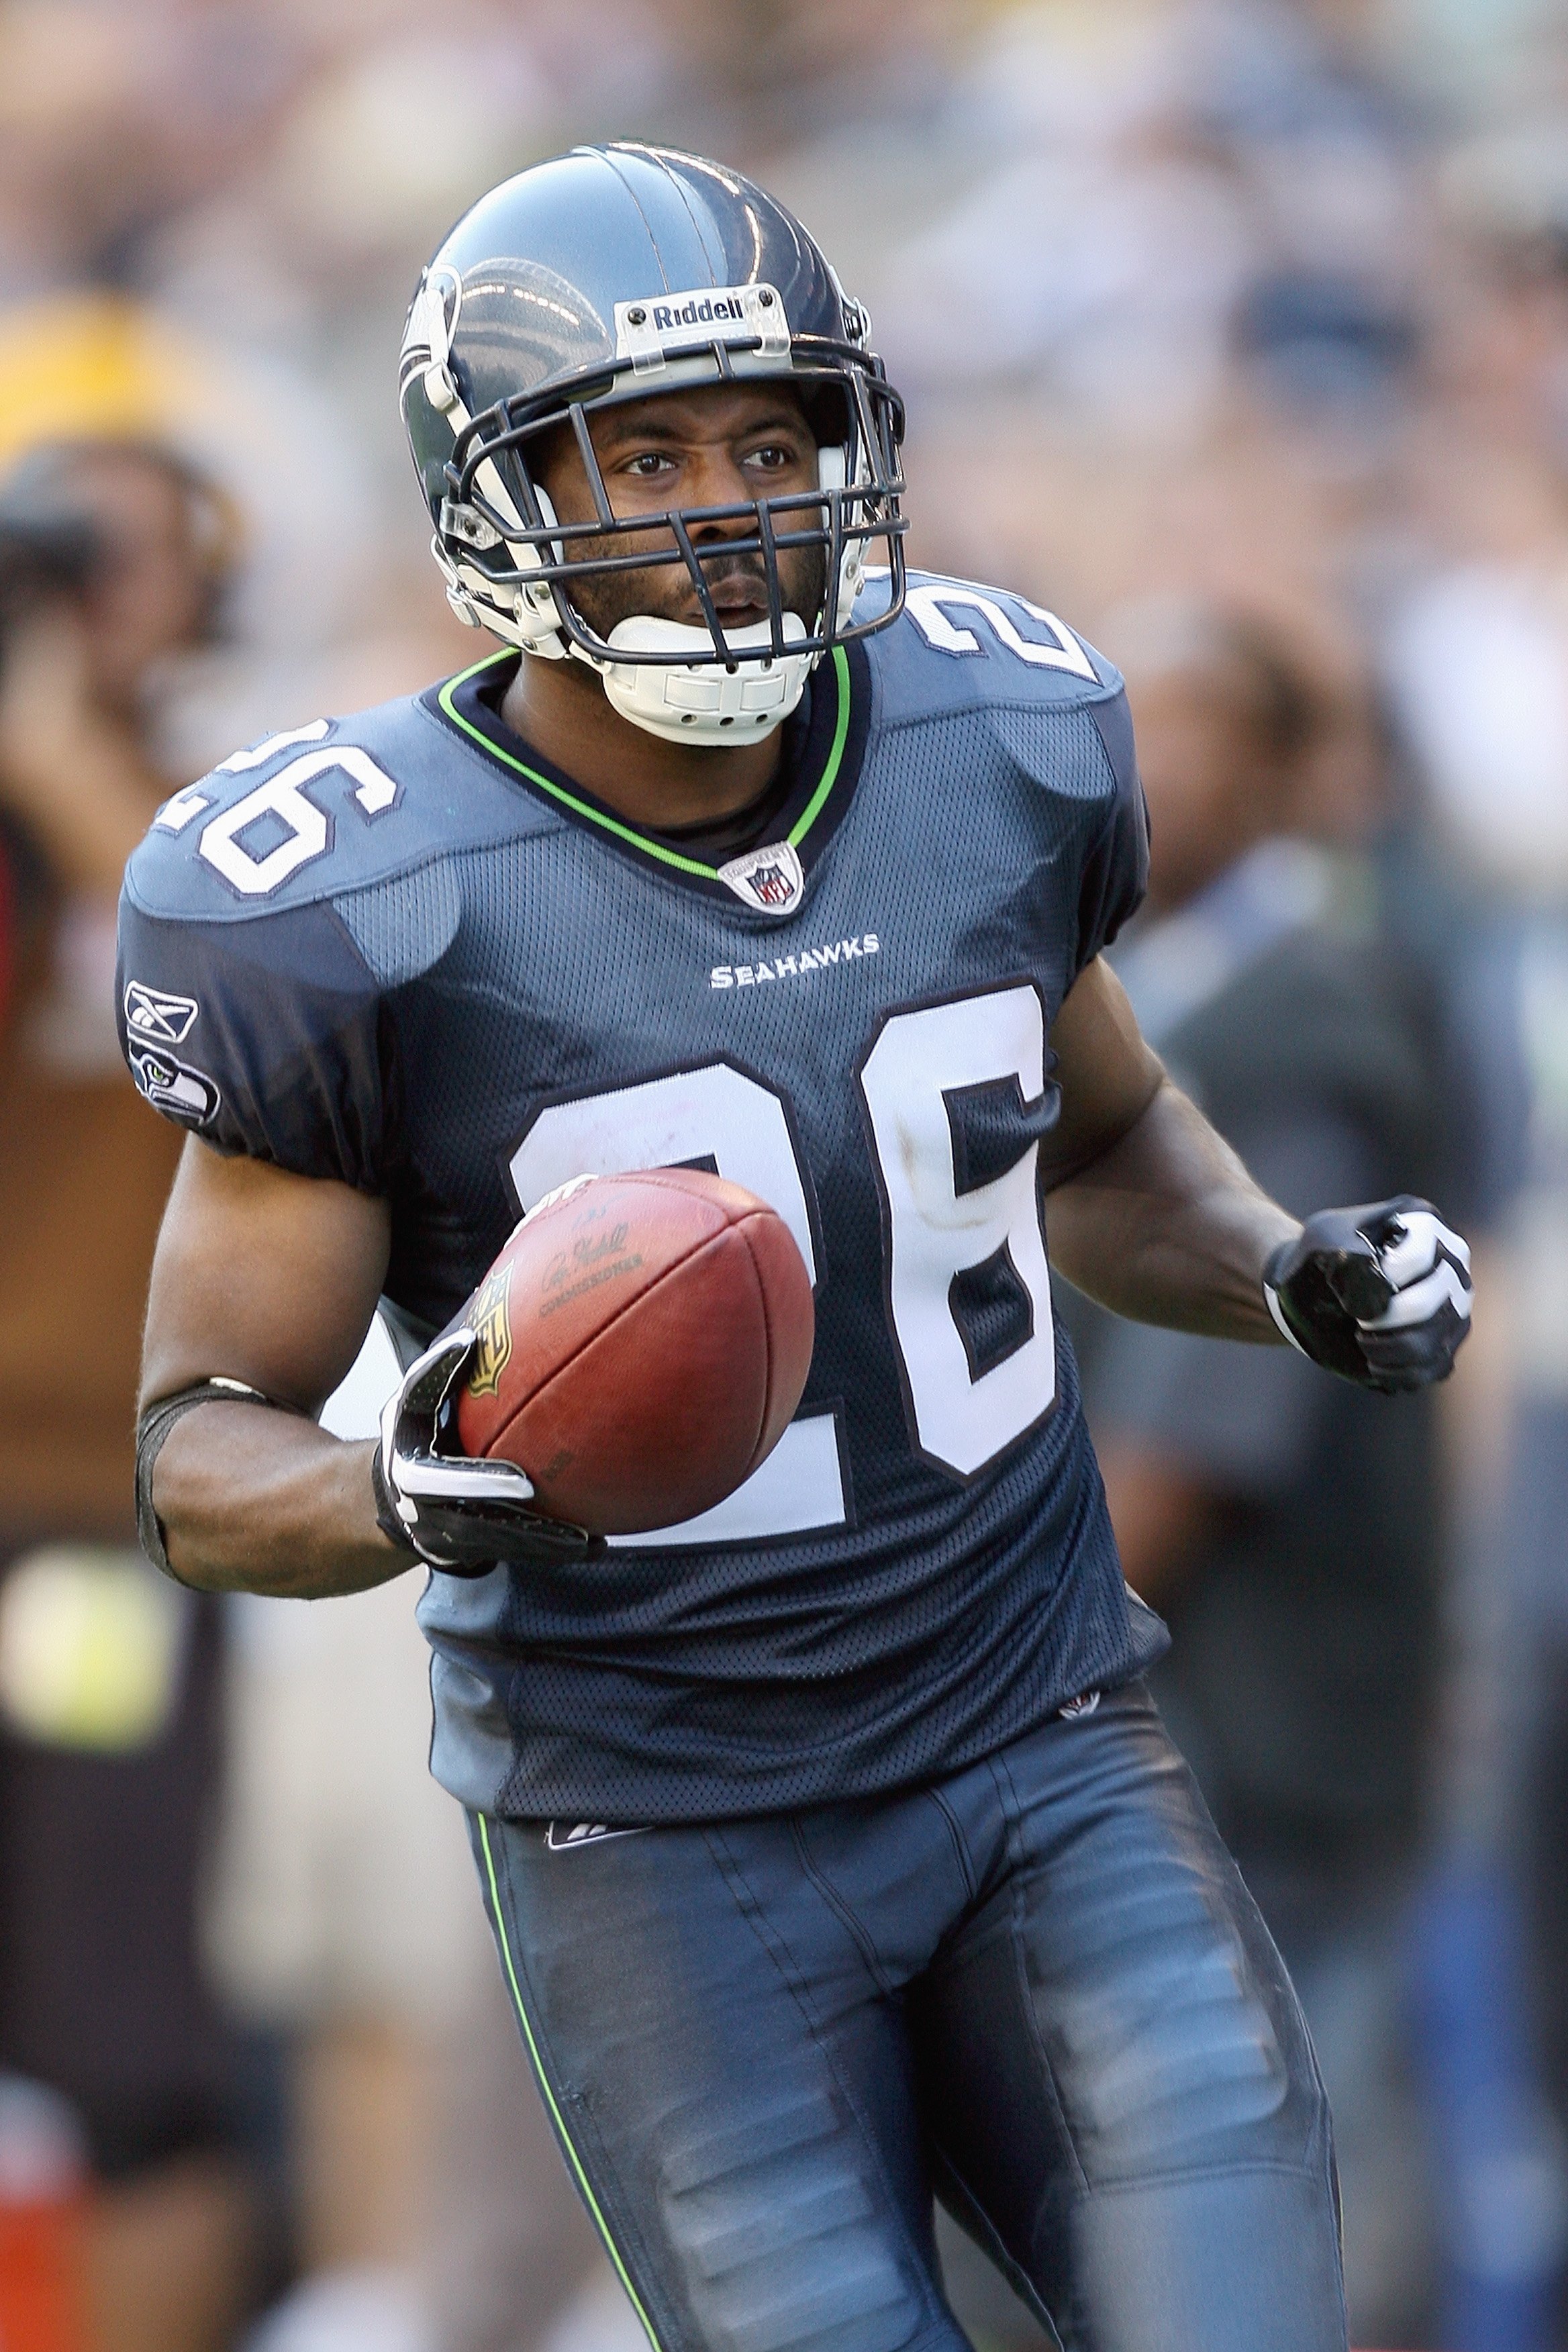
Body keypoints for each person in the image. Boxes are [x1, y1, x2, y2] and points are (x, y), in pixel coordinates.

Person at [117, 147, 1473, 2352]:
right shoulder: (348, 900)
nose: (725, 501)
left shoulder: (991, 742)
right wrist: (393, 1486)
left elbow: (1113, 1145)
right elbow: (196, 1447)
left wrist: (1282, 1263)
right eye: (643, 450)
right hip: (664, 1845)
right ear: (498, 488)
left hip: (1043, 1739)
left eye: (772, 439)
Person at [1061, 598, 1465, 2344]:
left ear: (1301, 773)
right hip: (1221, 1712)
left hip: (1255, 1717)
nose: (1153, 770)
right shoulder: (1170, 992)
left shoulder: (1298, 1018)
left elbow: (1197, 1439)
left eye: (1204, 725)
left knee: (1281, 2211)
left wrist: (1000, 1648)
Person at [0, 435, 252, 2352]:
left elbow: (225, 984)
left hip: (96, 1522)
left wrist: (56, 749)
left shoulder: (237, 799)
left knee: (117, 2020)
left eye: (118, 555)